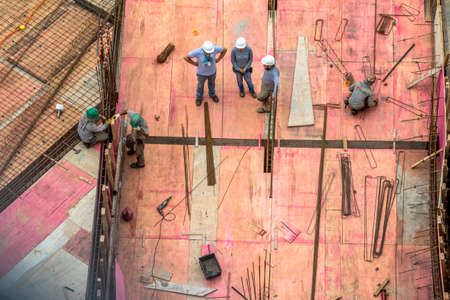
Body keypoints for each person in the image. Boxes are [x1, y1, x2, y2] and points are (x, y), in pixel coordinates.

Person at [184, 41, 227, 106]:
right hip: (201, 74)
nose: (209, 53)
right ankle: (199, 98)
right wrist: (194, 63)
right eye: (207, 52)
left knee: (212, 84)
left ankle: (212, 94)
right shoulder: (198, 51)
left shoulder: (214, 48)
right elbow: (186, 57)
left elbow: (225, 49)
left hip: (212, 72)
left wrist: (219, 59)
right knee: (200, 86)